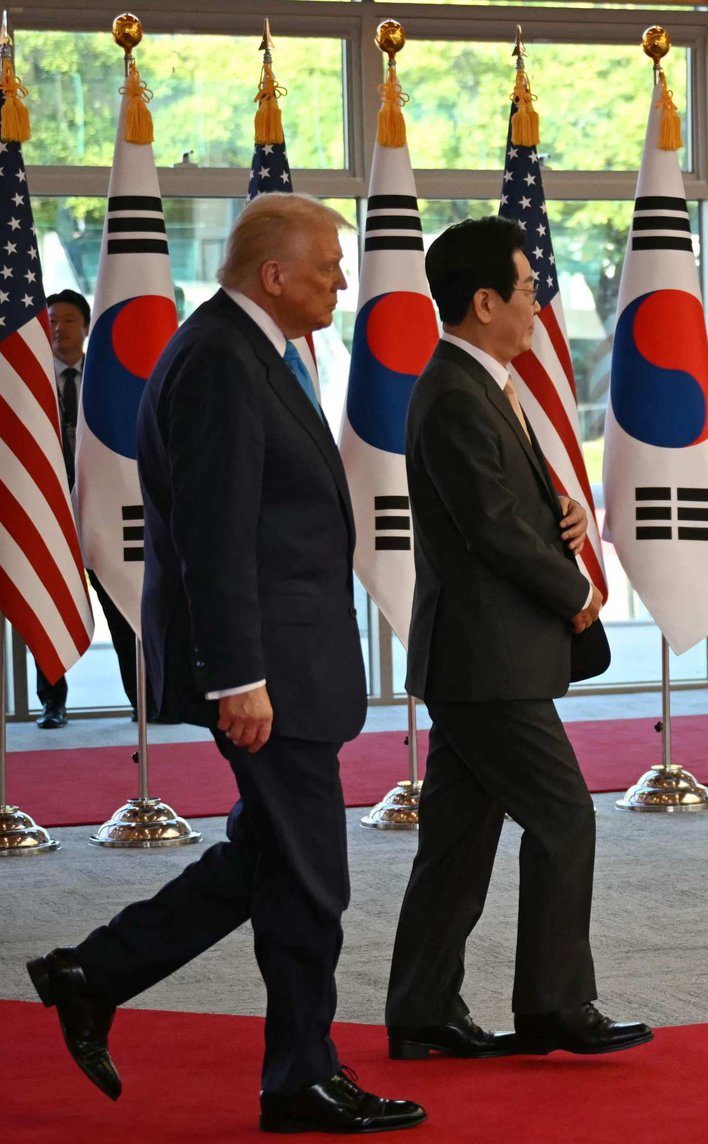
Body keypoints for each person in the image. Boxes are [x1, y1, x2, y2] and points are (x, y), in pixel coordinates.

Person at [26, 193, 426, 1136]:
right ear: (272, 275)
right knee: (312, 879)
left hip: (289, 662)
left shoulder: (256, 352)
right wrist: (236, 675)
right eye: (328, 262)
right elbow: (214, 533)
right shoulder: (219, 360)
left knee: (272, 861)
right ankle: (299, 1076)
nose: (344, 277)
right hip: (263, 674)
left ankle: (96, 974)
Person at [384, 216, 653, 1061]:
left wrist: (561, 515)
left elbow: (506, 510)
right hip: (484, 659)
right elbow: (489, 529)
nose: (542, 302)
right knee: (566, 817)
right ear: (484, 301)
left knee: (459, 841)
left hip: (482, 657)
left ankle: (423, 1012)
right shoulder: (457, 391)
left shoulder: (483, 383)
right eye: (530, 288)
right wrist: (576, 589)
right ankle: (553, 1005)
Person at [35, 289, 140, 728]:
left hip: (103, 507)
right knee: (46, 606)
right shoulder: (30, 382)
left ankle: (143, 698)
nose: (59, 329)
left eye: (68, 320)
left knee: (121, 601)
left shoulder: (108, 379)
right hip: (48, 509)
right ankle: (52, 703)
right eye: (51, 321)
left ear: (86, 326)